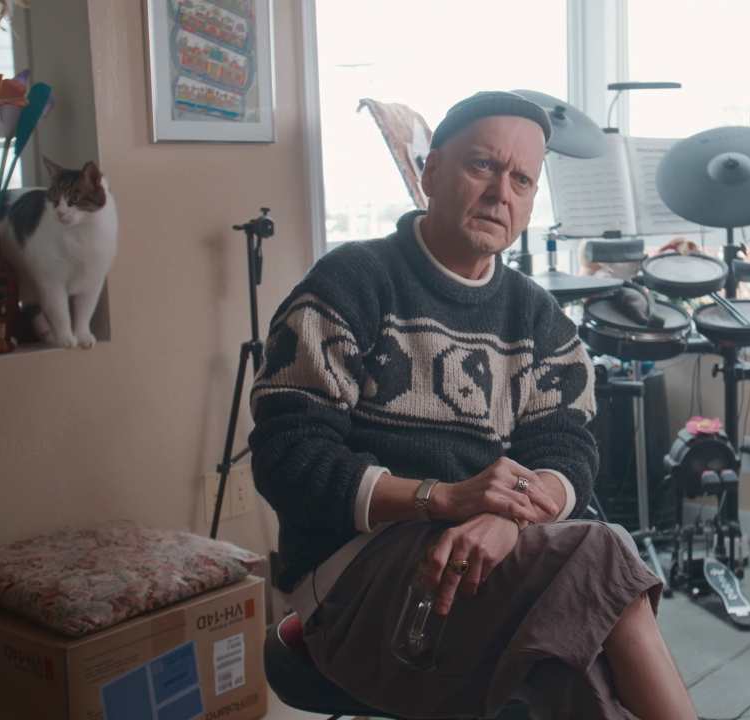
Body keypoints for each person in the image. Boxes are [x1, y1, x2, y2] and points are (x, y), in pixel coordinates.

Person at [250, 91, 698, 720]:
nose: (500, 194)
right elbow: (287, 456)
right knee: (600, 554)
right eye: (482, 165)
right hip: (350, 576)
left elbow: (567, 451)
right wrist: (442, 498)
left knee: (578, 652)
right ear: (430, 172)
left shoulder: (538, 318)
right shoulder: (352, 282)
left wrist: (510, 521)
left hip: (480, 561)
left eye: (521, 179)